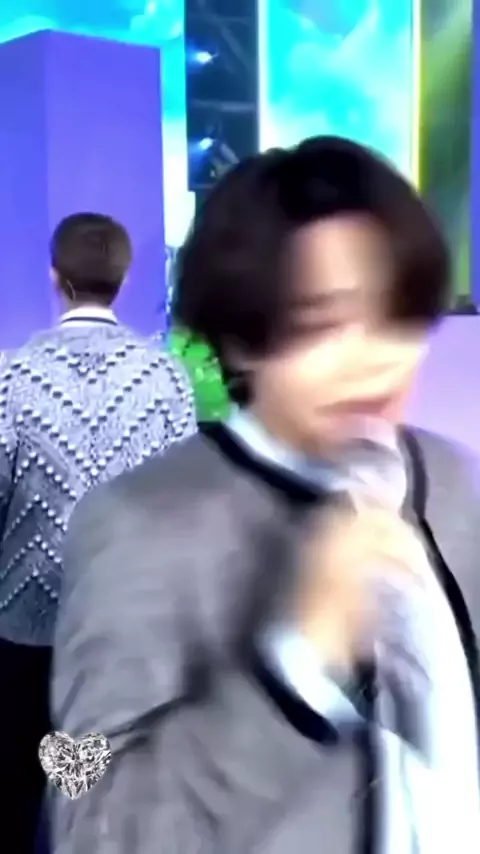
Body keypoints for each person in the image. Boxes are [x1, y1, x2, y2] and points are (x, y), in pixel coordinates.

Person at [51, 141, 480, 853]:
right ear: (242, 338)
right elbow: (86, 821)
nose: (372, 359)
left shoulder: (451, 482)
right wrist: (295, 668)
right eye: (322, 324)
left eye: (399, 316)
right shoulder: (137, 525)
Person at [0, 212, 196, 853]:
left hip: (28, 627)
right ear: (126, 278)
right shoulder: (165, 378)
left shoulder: (11, 378)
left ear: (55, 277)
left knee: (21, 794)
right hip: (128, 628)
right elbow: (182, 503)